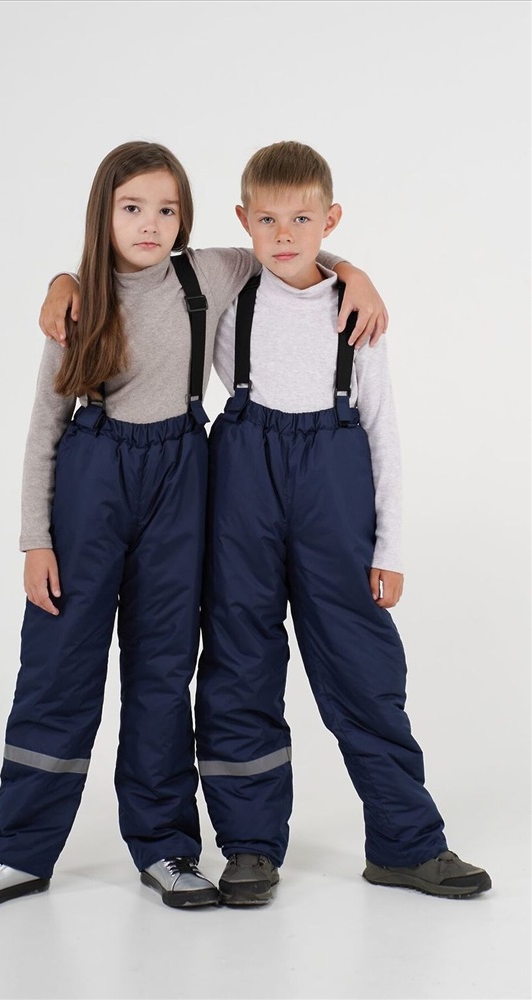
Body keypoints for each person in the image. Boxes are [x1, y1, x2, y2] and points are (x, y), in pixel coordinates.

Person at [0, 140, 387, 911]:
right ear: (103, 215)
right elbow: (44, 427)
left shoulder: (207, 272)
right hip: (92, 474)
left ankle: (167, 846)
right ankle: (14, 852)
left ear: (187, 219)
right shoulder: (78, 303)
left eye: (167, 210)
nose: (150, 224)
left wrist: (356, 273)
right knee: (58, 669)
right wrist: (35, 539)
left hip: (181, 473)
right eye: (132, 208)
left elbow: (288, 247)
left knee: (163, 670)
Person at [195, 140, 491, 904]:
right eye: (267, 220)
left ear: (330, 220)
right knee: (238, 663)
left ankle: (405, 844)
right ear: (243, 221)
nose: (283, 233)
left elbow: (383, 430)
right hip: (244, 492)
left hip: (334, 493)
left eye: (301, 219)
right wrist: (65, 280)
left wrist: (390, 547)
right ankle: (248, 846)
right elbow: (142, 263)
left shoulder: (356, 311)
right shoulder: (227, 290)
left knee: (363, 670)